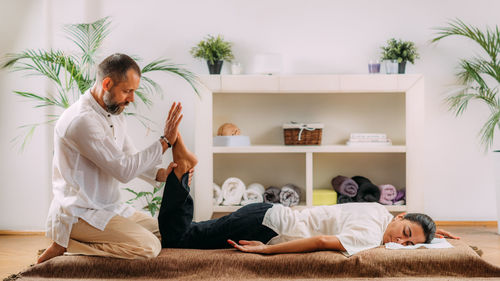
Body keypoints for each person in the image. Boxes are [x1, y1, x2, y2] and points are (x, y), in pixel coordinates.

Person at [38, 53, 193, 263]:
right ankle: (69, 244)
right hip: (79, 213)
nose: (132, 99)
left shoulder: (114, 113)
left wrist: (160, 174)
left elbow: (128, 156)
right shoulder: (82, 121)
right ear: (107, 83)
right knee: (149, 247)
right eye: (127, 91)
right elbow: (123, 171)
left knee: (165, 233)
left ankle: (70, 243)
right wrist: (165, 141)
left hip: (109, 208)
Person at [158, 164, 459, 255]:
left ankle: (180, 178)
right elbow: (321, 242)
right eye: (405, 234)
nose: (400, 243)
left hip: (266, 212)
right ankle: (179, 176)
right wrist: (265, 251)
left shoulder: (379, 211)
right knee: (180, 241)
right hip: (266, 226)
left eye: (409, 244)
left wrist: (429, 235)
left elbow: (407, 229)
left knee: (197, 232)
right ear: (401, 217)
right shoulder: (370, 234)